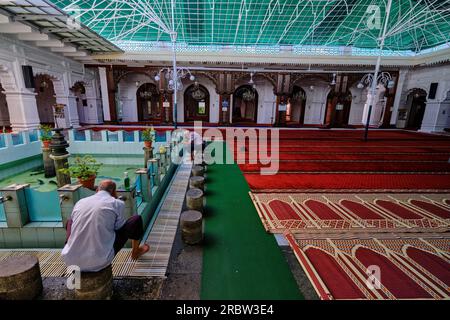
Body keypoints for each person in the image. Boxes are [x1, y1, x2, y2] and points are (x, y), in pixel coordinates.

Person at [62, 180, 150, 272]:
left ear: (97, 190)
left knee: (70, 221)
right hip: (101, 261)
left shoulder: (81, 202)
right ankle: (135, 252)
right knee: (136, 219)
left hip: (69, 260)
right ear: (113, 192)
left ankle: (72, 247)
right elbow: (118, 227)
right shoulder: (117, 203)